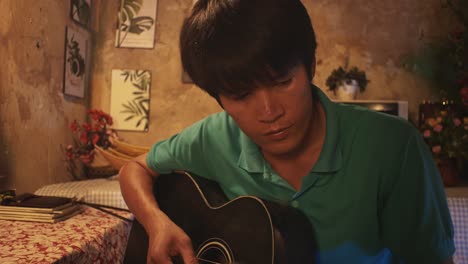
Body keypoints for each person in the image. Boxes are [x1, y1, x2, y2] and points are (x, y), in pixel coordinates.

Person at [119, 0, 455, 263]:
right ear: (218, 99)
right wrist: (156, 222)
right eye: (240, 95)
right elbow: (135, 168)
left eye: (282, 82)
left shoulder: (392, 146)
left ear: (309, 65)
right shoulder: (214, 138)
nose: (269, 113)